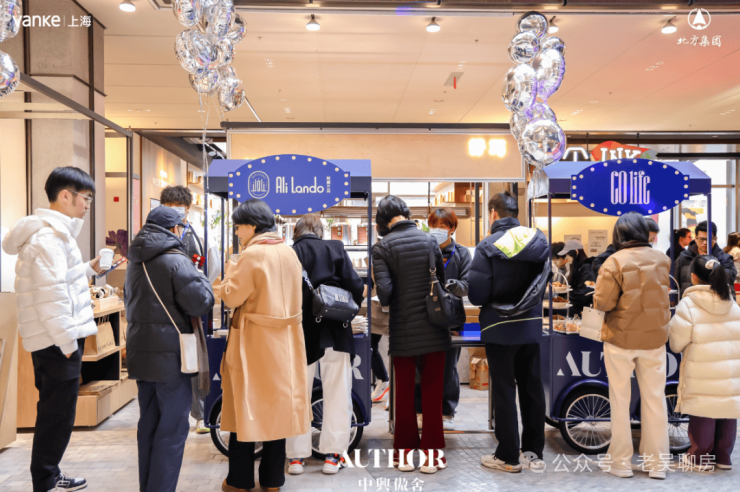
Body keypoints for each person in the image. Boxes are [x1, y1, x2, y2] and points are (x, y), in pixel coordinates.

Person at [2, 167, 103, 492]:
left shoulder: (53, 235)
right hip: (57, 342)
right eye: (85, 198)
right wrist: (68, 344)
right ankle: (45, 479)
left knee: (54, 413)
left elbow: (59, 281)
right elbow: (52, 299)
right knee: (57, 416)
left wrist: (88, 268)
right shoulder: (48, 238)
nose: (87, 206)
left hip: (52, 340)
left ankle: (48, 473)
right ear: (65, 196)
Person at [217, 199, 311, 492]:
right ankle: (273, 481)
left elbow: (232, 296)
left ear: (252, 225)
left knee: (245, 409)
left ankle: (239, 480)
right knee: (278, 411)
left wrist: (224, 278)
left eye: (238, 226)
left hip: (254, 342)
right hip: (286, 343)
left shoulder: (251, 255)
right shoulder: (289, 252)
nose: (237, 232)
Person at [124, 206, 215, 492]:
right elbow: (200, 302)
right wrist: (201, 277)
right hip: (172, 359)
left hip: (141, 355)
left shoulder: (134, 261)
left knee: (148, 427)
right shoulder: (177, 260)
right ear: (175, 229)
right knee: (172, 431)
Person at [468, 191, 550, 474]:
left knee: (504, 390)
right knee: (532, 388)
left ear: (493, 214)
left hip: (499, 327)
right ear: (516, 214)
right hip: (530, 325)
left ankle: (507, 457)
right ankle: (533, 453)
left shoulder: (487, 245)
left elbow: (477, 294)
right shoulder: (538, 240)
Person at [372, 195, 449, 474]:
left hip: (403, 331)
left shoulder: (382, 247)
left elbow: (385, 294)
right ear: (406, 213)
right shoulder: (430, 240)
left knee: (403, 394)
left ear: (383, 220)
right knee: (432, 393)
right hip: (435, 329)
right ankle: (432, 457)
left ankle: (404, 456)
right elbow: (441, 284)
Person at [592, 212, 671, 479]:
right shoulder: (662, 259)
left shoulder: (614, 261)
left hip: (620, 339)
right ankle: (657, 464)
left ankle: (621, 462)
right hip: (654, 339)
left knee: (620, 400)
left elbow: (603, 303)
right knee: (655, 400)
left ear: (620, 234)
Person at [286, 214, 365, 476]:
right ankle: (333, 456)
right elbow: (356, 287)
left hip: (300, 334)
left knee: (298, 394)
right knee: (337, 393)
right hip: (336, 331)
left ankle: (296, 457)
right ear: (320, 231)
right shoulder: (336, 248)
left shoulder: (289, 253)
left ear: (296, 232)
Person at [669, 255, 740, 472]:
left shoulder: (688, 304)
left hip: (701, 371)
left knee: (704, 407)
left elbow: (676, 344)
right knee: (727, 408)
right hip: (730, 371)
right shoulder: (732, 302)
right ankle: (723, 457)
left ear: (693, 277)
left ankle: (699, 457)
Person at [414, 209, 471, 432]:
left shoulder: (462, 253)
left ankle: (447, 412)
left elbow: (467, 285)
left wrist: (450, 286)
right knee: (421, 365)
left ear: (452, 228)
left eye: (443, 225)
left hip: (451, 318)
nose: (437, 229)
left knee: (448, 368)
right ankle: (421, 410)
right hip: (424, 316)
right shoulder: (422, 250)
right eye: (433, 225)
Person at [160, 185, 210, 434]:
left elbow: (204, 268)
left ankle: (199, 414)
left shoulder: (194, 235)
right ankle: (171, 414)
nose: (176, 212)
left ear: (188, 209)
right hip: (164, 309)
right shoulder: (157, 236)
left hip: (190, 307)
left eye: (179, 208)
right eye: (169, 207)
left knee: (195, 359)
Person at [675, 221, 737, 296]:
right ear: (696, 238)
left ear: (715, 239)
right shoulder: (684, 257)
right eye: (701, 239)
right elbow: (674, 284)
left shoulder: (725, 259)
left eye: (708, 239)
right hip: (689, 301)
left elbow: (729, 282)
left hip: (715, 301)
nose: (705, 242)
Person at [557, 239, 595, 316]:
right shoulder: (577, 267)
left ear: (576, 252)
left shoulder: (586, 267)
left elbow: (584, 293)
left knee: (550, 310)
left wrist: (566, 299)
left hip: (581, 309)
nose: (566, 258)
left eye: (568, 255)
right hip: (574, 305)